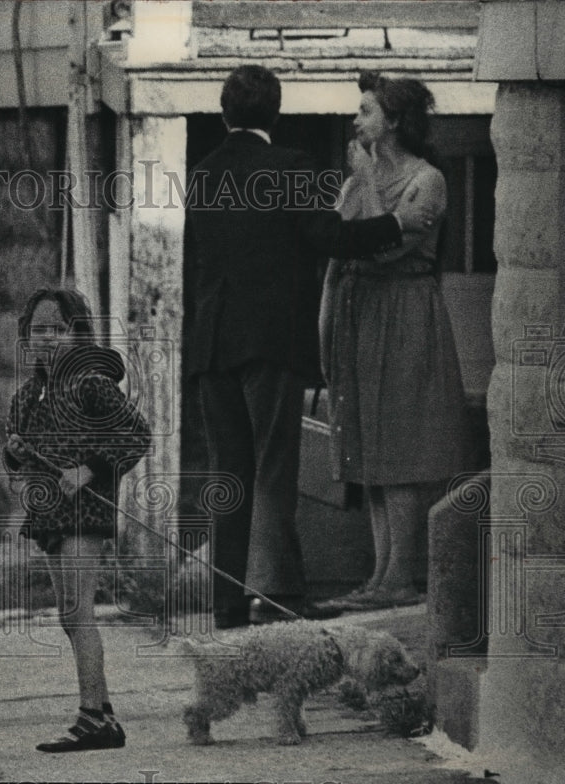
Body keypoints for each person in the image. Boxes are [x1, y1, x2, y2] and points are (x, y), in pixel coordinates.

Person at [185, 65, 436, 630]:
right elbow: (332, 239)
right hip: (269, 343)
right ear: (274, 113)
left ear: (225, 113)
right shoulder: (288, 167)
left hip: (212, 344)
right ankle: (277, 593)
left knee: (230, 472)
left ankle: (225, 600)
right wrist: (398, 222)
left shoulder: (201, 174)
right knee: (274, 467)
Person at [318, 72, 466, 611]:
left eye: (365, 112)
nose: (355, 122)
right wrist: (326, 332)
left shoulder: (427, 180)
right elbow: (339, 257)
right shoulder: (356, 182)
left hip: (405, 314)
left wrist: (368, 180)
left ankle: (402, 575)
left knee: (402, 446)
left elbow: (388, 247)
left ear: (395, 121)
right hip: (359, 316)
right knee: (368, 450)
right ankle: (380, 575)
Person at [3, 289, 151, 752]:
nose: (45, 339)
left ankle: (93, 717)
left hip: (85, 512)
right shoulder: (28, 395)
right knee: (70, 616)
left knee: (79, 612)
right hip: (48, 515)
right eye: (36, 330)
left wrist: (89, 469)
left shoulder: (90, 382)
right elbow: (17, 450)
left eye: (56, 329)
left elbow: (136, 433)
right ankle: (101, 712)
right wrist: (14, 453)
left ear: (77, 334)